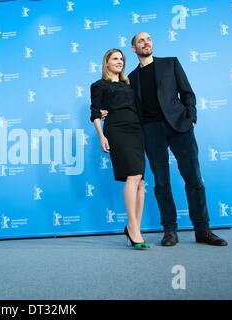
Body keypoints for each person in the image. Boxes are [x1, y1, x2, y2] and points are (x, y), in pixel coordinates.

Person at [127, 32, 227, 246]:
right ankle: (170, 230)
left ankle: (203, 230)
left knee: (194, 178)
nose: (146, 43)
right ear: (133, 49)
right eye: (140, 41)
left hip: (179, 126)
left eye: (149, 39)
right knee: (161, 182)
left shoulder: (170, 63)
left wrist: (190, 116)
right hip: (151, 131)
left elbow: (187, 92)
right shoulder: (131, 78)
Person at [90, 49, 149, 249]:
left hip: (136, 130)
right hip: (117, 130)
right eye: (115, 58)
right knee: (133, 175)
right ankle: (133, 228)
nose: (119, 61)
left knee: (140, 181)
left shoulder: (129, 84)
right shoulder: (98, 85)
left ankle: (135, 228)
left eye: (122, 59)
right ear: (106, 62)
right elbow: (95, 112)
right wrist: (101, 136)